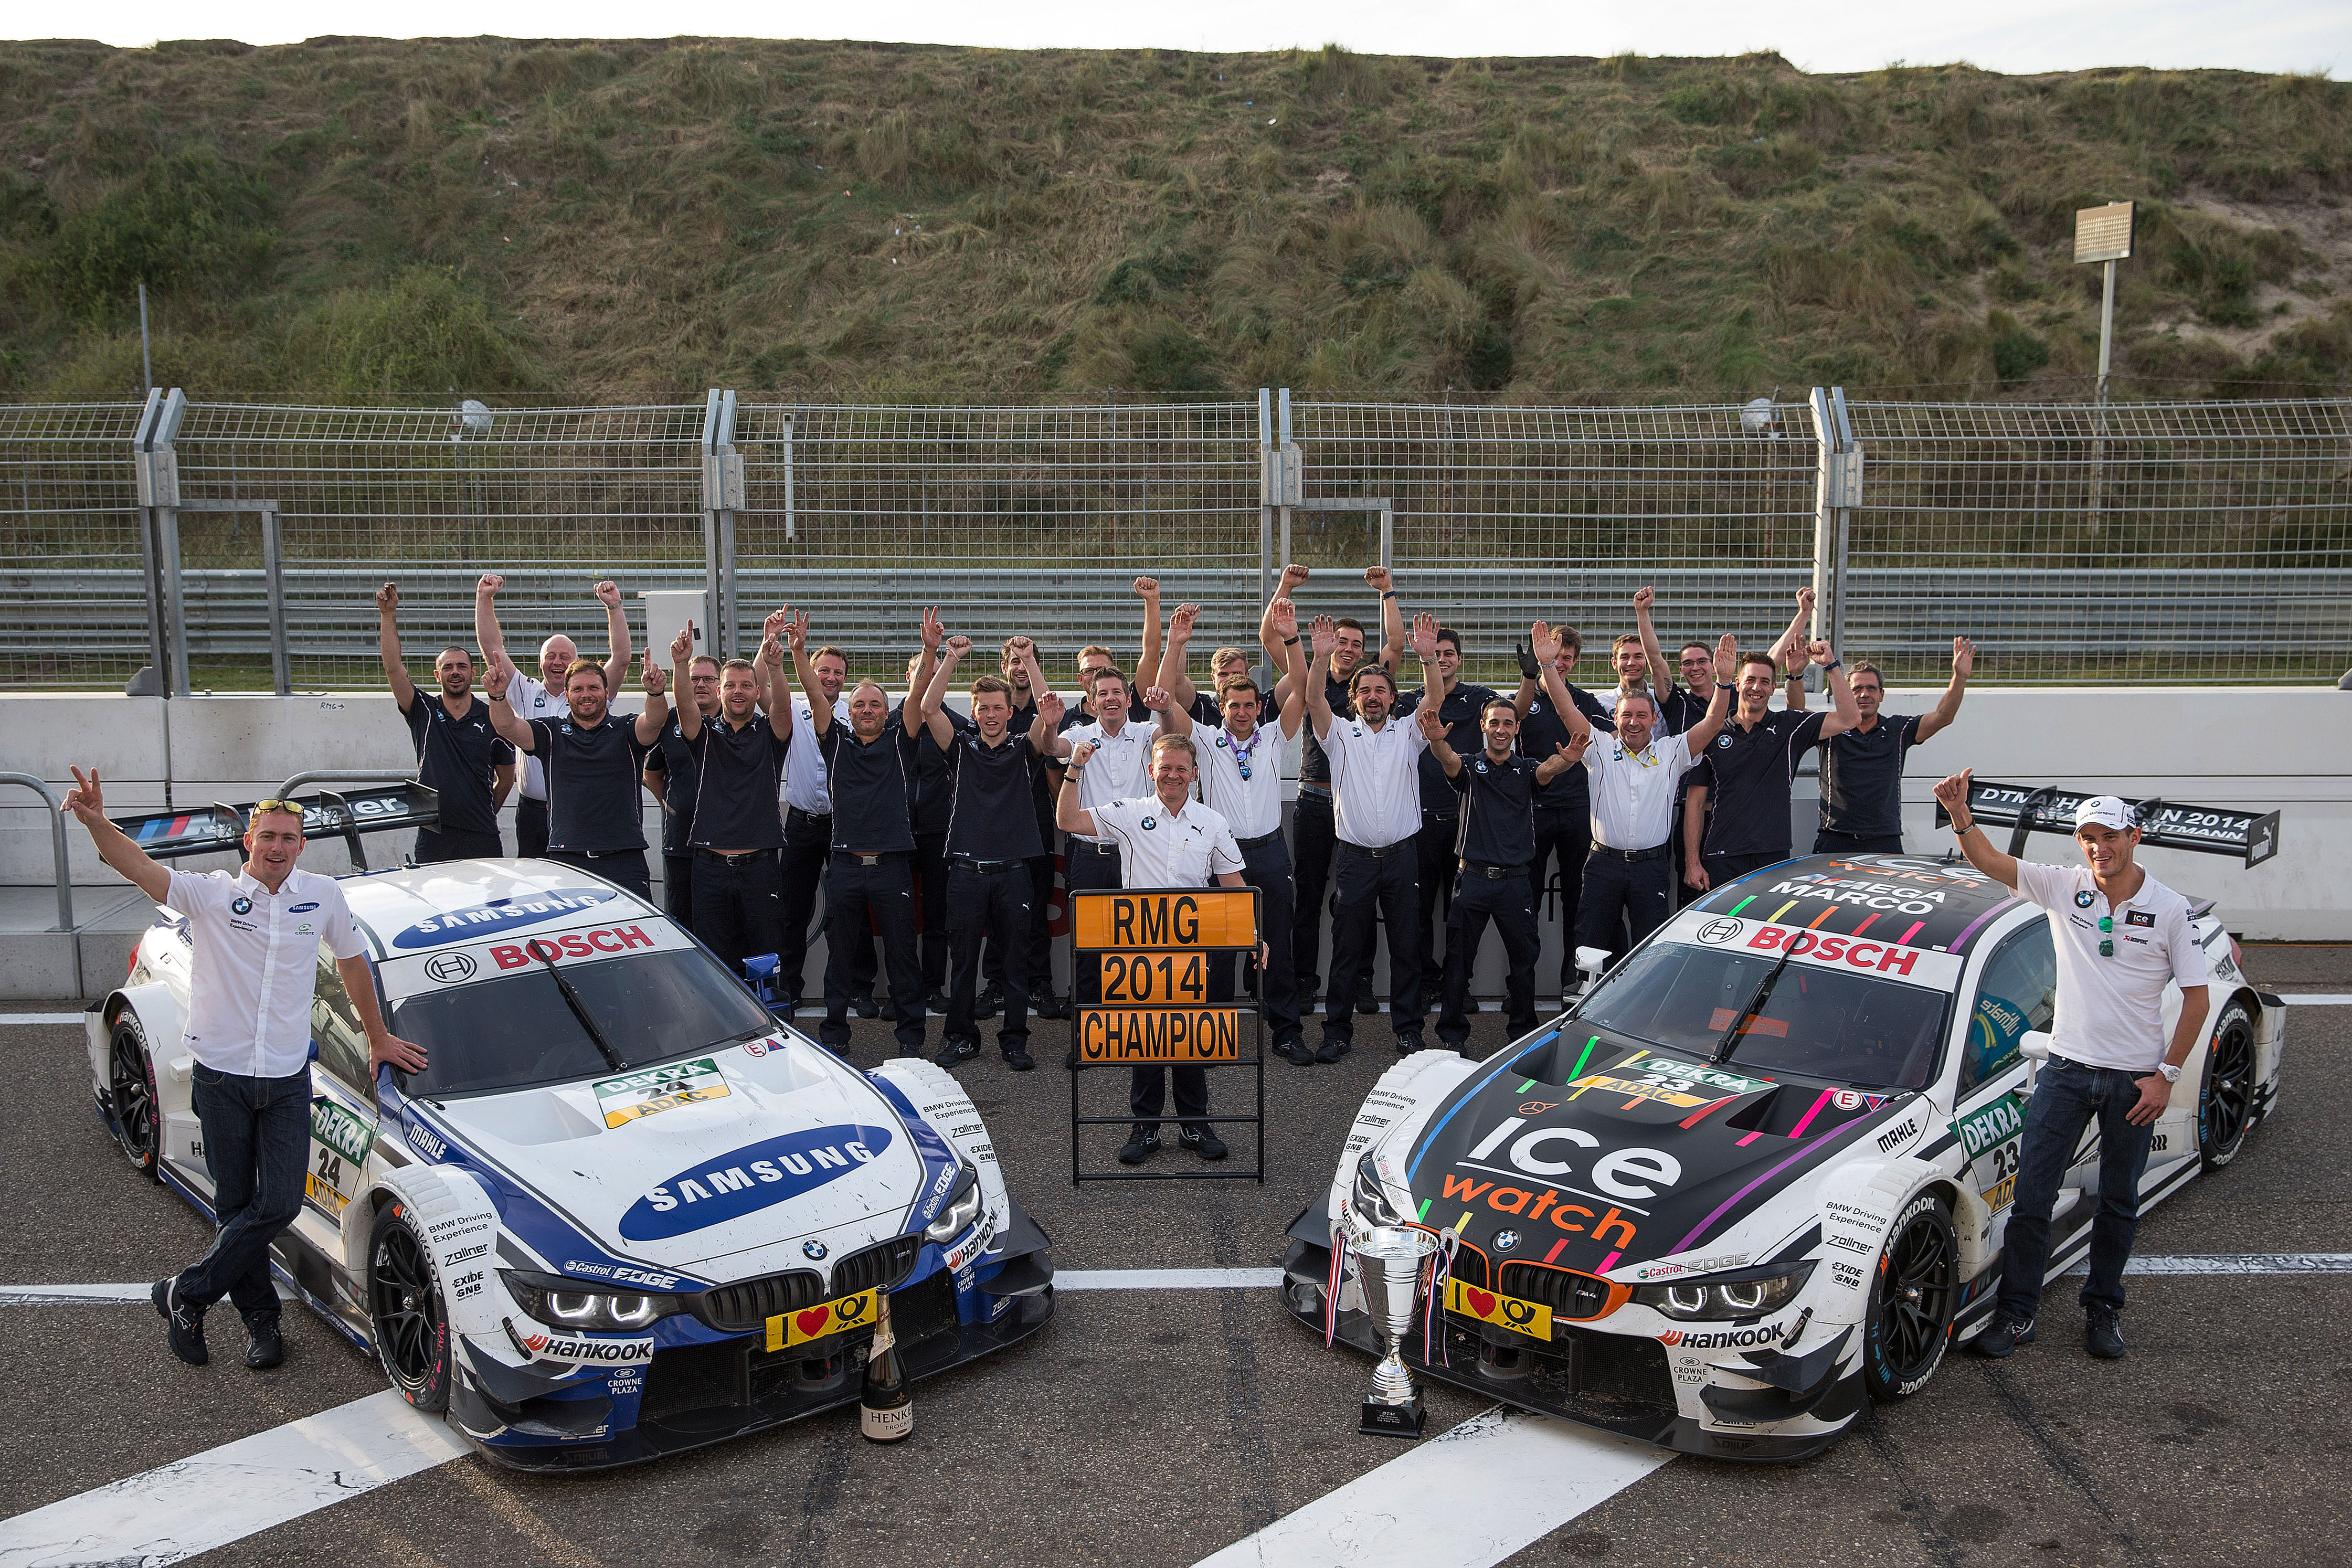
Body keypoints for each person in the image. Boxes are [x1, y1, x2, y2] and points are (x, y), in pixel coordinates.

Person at [57, 772, 426, 1370]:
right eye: (267, 837)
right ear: (248, 841)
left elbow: (355, 966)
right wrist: (99, 822)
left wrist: (378, 1038)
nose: (277, 847)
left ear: (302, 846)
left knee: (278, 1203)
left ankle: (186, 1293)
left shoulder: (323, 897)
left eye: (289, 838)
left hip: (285, 1079)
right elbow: (140, 869)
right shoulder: (212, 894)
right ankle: (262, 1323)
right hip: (221, 1075)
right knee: (235, 1204)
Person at [1936, 774, 2212, 1363]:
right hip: (2066, 1069)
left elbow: (2197, 999)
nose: (2097, 848)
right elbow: (1990, 861)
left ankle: (2103, 1308)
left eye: (2108, 836)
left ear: (2134, 836)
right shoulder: (2065, 887)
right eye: (2087, 837)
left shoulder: (2169, 909)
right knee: (2032, 1196)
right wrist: (1962, 814)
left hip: (2134, 1079)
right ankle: (2017, 1314)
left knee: (2117, 1200)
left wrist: (2165, 1075)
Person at [1056, 727, 1249, 1165]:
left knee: (1190, 1037)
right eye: (1165, 768)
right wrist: (1075, 769)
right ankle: (1145, 1127)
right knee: (1145, 1036)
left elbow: (1234, 885)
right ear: (1151, 771)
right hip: (1138, 950)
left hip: (1193, 949)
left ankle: (1194, 1124)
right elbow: (1067, 822)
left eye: (1182, 769)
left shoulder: (1212, 821)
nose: (1173, 776)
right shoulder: (1128, 812)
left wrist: (1256, 936)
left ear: (1195, 774)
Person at [1156, 598, 1310, 1064]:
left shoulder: (1272, 736)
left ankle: (1285, 1032)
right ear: (1220, 707)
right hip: (1220, 858)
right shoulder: (1204, 740)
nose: (1242, 713)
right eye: (1233, 705)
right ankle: (1215, 1032)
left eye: (1249, 705)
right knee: (1218, 950)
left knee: (1277, 946)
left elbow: (1302, 688)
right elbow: (1164, 697)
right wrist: (1175, 642)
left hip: (1269, 851)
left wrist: (1291, 637)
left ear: (1258, 707)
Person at [1532, 623, 1736, 963]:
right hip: (1602, 866)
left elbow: (1714, 722)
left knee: (1649, 955)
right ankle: (1581, 1012)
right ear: (1616, 717)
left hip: (1651, 868)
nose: (1634, 722)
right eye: (1627, 715)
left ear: (1655, 718)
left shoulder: (1672, 751)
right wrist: (1548, 667)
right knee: (1590, 951)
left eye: (1642, 715)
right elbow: (1566, 708)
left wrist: (1725, 683)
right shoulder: (1597, 745)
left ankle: (1643, 1017)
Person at [793, 610, 930, 1057]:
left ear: (886, 713)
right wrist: (797, 650)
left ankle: (911, 1039)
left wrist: (929, 650)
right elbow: (815, 696)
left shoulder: (899, 740)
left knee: (903, 958)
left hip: (892, 867)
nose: (867, 711)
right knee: (840, 959)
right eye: (859, 706)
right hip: (847, 868)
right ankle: (834, 1036)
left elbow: (918, 695)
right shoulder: (836, 741)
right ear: (847, 714)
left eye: (875, 705)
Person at [1307, 611, 1442, 1057]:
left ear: (1393, 697)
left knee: (1406, 947)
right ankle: (1337, 1032)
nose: (1372, 696)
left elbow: (1435, 700)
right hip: (1355, 859)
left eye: (1381, 690)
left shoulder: (1409, 732)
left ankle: (1408, 1030)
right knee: (1346, 950)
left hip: (1403, 857)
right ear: (1354, 699)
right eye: (1364, 691)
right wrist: (1320, 658)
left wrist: (1427, 660)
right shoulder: (1339, 735)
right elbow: (1313, 701)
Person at [919, 635, 1056, 1071]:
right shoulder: (959, 746)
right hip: (966, 873)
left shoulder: (1024, 748)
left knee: (1015, 965)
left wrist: (1031, 660)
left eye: (999, 708)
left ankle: (1015, 1040)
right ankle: (962, 1038)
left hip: (1014, 872)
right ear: (974, 711)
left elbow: (1045, 712)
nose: (992, 714)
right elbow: (927, 707)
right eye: (984, 708)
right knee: (964, 965)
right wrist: (951, 658)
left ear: (1010, 712)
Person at [1421, 697, 1582, 1052]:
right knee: (1458, 963)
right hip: (1473, 880)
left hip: (1515, 883)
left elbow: (1548, 769)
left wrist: (1568, 759)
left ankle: (1522, 1035)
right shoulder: (1468, 768)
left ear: (1516, 729)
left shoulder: (1525, 771)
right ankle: (1451, 1037)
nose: (1501, 730)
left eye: (1508, 724)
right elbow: (1447, 759)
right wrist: (1436, 740)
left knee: (1524, 964)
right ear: (1483, 726)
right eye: (1494, 723)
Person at [1635, 586, 1813, 908]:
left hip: (1741, 823)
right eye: (1687, 664)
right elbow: (1656, 661)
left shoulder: (1739, 696)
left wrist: (1803, 615)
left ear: (1717, 664)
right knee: (1698, 904)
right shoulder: (1678, 705)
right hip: (1694, 815)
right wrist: (1643, 614)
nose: (1695, 668)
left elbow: (1770, 662)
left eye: (1702, 661)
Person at [1281, 563, 1403, 1017]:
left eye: (1357, 644)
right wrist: (1287, 589)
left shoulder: (1372, 686)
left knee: (1360, 899)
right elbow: (1273, 639)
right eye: (1342, 642)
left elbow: (1396, 643)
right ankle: (1304, 979)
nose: (1349, 649)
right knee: (1309, 898)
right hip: (1315, 800)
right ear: (1329, 644)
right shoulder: (1312, 679)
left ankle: (1363, 982)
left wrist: (1386, 591)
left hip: (1360, 806)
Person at [484, 639, 668, 902]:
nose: (586, 695)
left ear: (607, 692)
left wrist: (655, 693)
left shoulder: (626, 731)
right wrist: (498, 696)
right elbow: (507, 727)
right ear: (567, 695)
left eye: (594, 688)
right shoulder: (550, 732)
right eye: (578, 689)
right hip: (566, 858)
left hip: (624, 858)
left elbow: (654, 721)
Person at [669, 617, 797, 979]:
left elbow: (784, 709)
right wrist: (680, 665)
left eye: (746, 685)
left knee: (766, 956)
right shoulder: (705, 733)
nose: (738, 691)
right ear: (720, 692)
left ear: (758, 692)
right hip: (709, 867)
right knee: (715, 959)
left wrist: (775, 667)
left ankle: (774, 1023)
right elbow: (684, 705)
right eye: (730, 686)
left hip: (761, 866)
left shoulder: (771, 732)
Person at [1681, 637, 1860, 895]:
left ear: (1775, 687)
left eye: (1765, 681)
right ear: (1738, 684)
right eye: (1751, 680)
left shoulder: (1790, 726)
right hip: (1721, 855)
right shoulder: (1711, 732)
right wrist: (1693, 862)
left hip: (1773, 856)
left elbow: (1850, 718)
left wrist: (1830, 665)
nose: (1757, 687)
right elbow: (1695, 804)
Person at [473, 574, 631, 858]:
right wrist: (485, 599)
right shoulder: (523, 690)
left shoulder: (590, 693)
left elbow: (621, 658)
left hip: (579, 811)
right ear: (541, 662)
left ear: (577, 663)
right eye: (551, 656)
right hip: (533, 812)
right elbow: (492, 648)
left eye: (565, 657)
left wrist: (615, 606)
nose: (557, 662)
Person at [1510, 624, 1614, 1002]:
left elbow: (1615, 739)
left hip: (1578, 813)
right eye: (1556, 655)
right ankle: (1519, 987)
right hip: (1533, 811)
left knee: (1578, 900)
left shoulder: (1586, 702)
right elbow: (1513, 716)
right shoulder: (1526, 695)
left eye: (1568, 657)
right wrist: (1530, 675)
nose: (1562, 663)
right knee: (1526, 902)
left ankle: (1575, 982)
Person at [374, 582, 513, 863]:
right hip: (433, 834)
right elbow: (393, 668)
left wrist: (482, 812)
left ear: (473, 673)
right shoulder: (423, 709)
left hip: (482, 834)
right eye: (447, 667)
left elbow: (507, 779)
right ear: (438, 676)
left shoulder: (493, 716)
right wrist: (388, 615)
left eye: (462, 666)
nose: (455, 672)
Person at [1797, 639, 1975, 855]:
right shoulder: (1831, 729)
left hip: (1885, 839)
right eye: (1857, 689)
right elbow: (1796, 710)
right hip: (1835, 837)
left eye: (1871, 689)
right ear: (1846, 694)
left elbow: (1942, 717)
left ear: (1881, 695)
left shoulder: (1898, 729)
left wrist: (1960, 677)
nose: (1864, 694)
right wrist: (1796, 674)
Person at [1401, 626, 1499, 1010]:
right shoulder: (1410, 702)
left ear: (1459, 658)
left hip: (1465, 822)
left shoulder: (1480, 700)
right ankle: (1426, 983)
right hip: (1420, 822)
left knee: (1461, 913)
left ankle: (1459, 986)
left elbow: (1516, 714)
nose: (1441, 659)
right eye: (1434, 653)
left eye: (1448, 653)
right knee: (1419, 912)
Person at [777, 639, 854, 1015]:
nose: (830, 677)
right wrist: (780, 646)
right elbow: (765, 680)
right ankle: (789, 989)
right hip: (802, 824)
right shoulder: (793, 706)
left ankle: (856, 989)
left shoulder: (856, 711)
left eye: (838, 672)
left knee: (848, 910)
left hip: (844, 827)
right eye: (824, 670)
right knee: (793, 912)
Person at [643, 650, 722, 929]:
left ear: (720, 684)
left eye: (708, 679)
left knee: (722, 927)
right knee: (683, 923)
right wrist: (671, 803)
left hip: (724, 845)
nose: (700, 685)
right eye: (694, 679)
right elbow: (652, 774)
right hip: (681, 842)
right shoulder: (669, 721)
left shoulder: (736, 719)